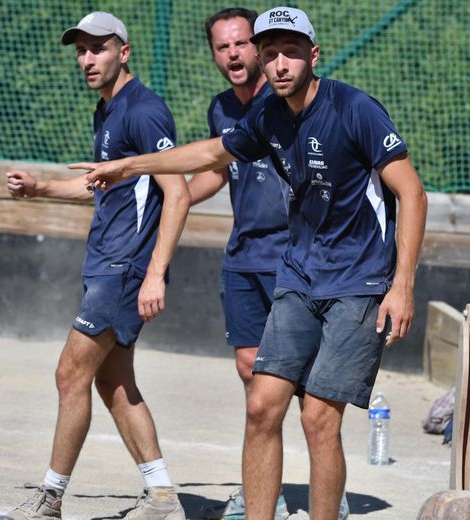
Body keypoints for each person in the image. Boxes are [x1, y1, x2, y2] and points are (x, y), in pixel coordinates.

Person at [78, 6, 428, 519]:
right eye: (270, 54)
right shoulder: (265, 117)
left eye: (289, 52)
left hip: (360, 281)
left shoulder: (355, 109)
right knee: (262, 406)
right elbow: (207, 155)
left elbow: (413, 195)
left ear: (313, 54)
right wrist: (129, 165)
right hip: (299, 275)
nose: (279, 64)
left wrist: (402, 286)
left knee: (317, 419)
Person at [0, 11, 190, 520]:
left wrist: (154, 273)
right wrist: (40, 190)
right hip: (106, 264)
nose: (86, 59)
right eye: (80, 50)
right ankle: (164, 496)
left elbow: (179, 191)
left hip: (125, 269)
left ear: (123, 52)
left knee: (69, 375)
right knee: (112, 381)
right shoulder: (106, 111)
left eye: (97, 48)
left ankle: (49, 500)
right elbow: (98, 184)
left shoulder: (144, 111)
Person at [189, 8, 290, 520]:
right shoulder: (220, 109)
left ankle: (323, 488)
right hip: (243, 255)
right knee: (252, 370)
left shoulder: (290, 100)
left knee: (305, 378)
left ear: (259, 48)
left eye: (241, 43)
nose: (232, 53)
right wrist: (176, 197)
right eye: (221, 47)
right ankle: (260, 485)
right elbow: (218, 171)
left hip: (293, 255)